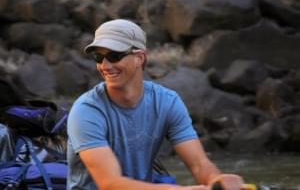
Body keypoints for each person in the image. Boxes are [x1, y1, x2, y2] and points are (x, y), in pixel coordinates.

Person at [67, 19, 244, 190]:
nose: (105, 65)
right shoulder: (86, 111)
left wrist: (217, 179)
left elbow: (199, 164)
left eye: (114, 56)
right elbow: (110, 184)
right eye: (99, 57)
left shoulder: (167, 102)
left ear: (140, 58)